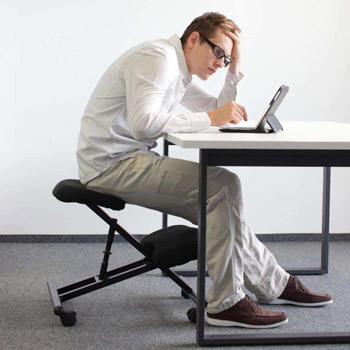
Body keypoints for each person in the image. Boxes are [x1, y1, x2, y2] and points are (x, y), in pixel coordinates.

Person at [76, 12, 333, 328]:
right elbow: (145, 125)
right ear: (195, 38)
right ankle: (228, 301)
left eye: (226, 58)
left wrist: (234, 71)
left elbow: (218, 112)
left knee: (222, 196)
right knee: (221, 187)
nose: (220, 62)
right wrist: (213, 118)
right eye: (219, 53)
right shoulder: (158, 60)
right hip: (110, 166)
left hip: (127, 159)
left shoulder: (178, 70)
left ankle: (272, 283)